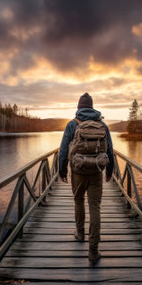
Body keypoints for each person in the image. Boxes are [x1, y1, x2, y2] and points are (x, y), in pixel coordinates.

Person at [59, 92, 114, 263]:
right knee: (95, 207)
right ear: (92, 106)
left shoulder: (71, 124)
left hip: (78, 171)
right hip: (97, 171)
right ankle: (93, 251)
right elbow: (110, 150)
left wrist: (61, 171)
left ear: (78, 107)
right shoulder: (102, 124)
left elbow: (63, 150)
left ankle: (80, 233)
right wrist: (110, 171)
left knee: (78, 201)